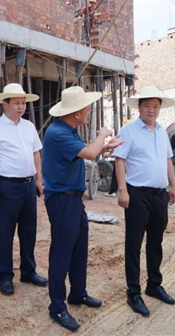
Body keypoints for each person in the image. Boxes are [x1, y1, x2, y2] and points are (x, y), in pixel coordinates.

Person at [43, 86, 124, 331]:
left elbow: (84, 152)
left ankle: (77, 292)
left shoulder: (68, 130)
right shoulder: (58, 133)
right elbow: (89, 152)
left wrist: (105, 147)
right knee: (62, 252)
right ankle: (57, 306)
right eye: (87, 109)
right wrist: (103, 135)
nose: (88, 112)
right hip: (62, 199)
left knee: (79, 247)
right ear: (77, 113)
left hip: (73, 199)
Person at [113, 86, 175, 317]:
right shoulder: (128, 130)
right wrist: (122, 190)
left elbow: (168, 159)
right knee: (134, 243)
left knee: (156, 241)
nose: (152, 110)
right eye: (147, 106)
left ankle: (154, 284)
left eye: (155, 106)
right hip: (137, 194)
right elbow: (120, 160)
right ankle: (133, 292)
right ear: (139, 107)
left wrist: (173, 185)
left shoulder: (161, 131)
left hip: (159, 194)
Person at [0, 83, 47, 296]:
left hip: (28, 186)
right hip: (8, 186)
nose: (21, 107)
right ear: (5, 104)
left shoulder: (29, 127)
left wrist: (39, 179)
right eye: (17, 103)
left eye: (23, 103)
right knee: (6, 232)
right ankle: (5, 276)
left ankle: (28, 271)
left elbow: (36, 153)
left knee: (29, 231)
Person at [105, 119, 133, 197]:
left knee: (116, 174)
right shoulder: (135, 135)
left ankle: (113, 191)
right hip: (131, 161)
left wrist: (109, 154)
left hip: (122, 159)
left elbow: (115, 146)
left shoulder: (122, 134)